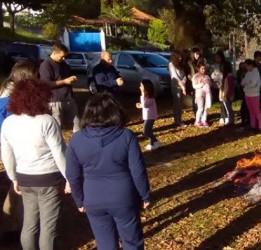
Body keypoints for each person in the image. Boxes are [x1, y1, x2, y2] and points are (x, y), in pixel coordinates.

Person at [65, 92, 151, 250]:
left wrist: (79, 199)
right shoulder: (126, 137)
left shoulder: (77, 140)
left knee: (105, 244)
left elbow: (72, 175)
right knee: (132, 242)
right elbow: (137, 170)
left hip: (93, 197)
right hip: (123, 197)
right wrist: (144, 195)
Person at [1, 78, 69, 250]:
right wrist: (70, 179)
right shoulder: (47, 121)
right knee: (48, 226)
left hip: (24, 179)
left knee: (29, 224)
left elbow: (6, 154)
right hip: (49, 179)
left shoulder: (8, 123)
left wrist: (13, 178)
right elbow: (59, 153)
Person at [0, 60, 37, 241]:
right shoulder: (9, 99)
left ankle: (14, 226)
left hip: (17, 146)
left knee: (17, 188)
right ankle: (18, 228)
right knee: (20, 186)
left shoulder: (10, 92)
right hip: (16, 147)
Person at [39, 42, 81, 132]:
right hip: (55, 100)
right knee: (57, 126)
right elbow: (46, 84)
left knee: (77, 122)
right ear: (54, 53)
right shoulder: (46, 65)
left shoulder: (64, 64)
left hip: (68, 97)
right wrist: (64, 81)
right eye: (61, 56)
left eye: (65, 56)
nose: (63, 58)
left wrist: (72, 78)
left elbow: (67, 76)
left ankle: (78, 141)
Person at [135, 80, 161, 151]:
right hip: (148, 116)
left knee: (145, 131)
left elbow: (145, 105)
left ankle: (156, 141)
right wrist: (140, 105)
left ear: (146, 88)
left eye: (141, 86)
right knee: (149, 130)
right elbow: (144, 105)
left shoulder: (150, 98)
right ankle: (152, 144)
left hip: (150, 117)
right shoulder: (147, 97)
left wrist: (142, 95)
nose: (140, 87)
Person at [242, 59, 261, 133]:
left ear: (250, 65)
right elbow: (243, 82)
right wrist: (247, 83)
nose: (246, 68)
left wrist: (247, 84)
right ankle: (253, 126)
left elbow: (253, 84)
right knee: (251, 112)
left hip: (255, 94)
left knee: (257, 112)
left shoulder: (256, 73)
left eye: (246, 66)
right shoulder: (248, 73)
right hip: (247, 94)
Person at [169, 52, 188, 128]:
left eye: (181, 57)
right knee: (177, 104)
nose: (180, 59)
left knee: (180, 105)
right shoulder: (171, 64)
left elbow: (184, 75)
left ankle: (180, 119)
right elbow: (175, 76)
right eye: (178, 57)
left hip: (182, 86)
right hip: (176, 86)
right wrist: (181, 83)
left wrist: (184, 81)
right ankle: (177, 121)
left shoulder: (180, 65)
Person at [192, 62, 212, 128]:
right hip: (199, 94)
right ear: (198, 69)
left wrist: (208, 84)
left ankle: (204, 120)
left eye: (204, 68)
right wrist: (202, 84)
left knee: (205, 108)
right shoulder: (195, 76)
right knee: (200, 108)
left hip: (206, 94)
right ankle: (197, 121)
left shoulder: (207, 76)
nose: (203, 70)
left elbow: (210, 83)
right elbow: (194, 86)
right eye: (202, 69)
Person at [220, 62, 236, 126]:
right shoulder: (227, 76)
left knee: (228, 108)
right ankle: (230, 120)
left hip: (228, 95)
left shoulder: (229, 76)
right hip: (226, 94)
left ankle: (231, 121)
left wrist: (227, 95)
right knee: (228, 108)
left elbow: (230, 87)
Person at [236, 62, 250, 128]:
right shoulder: (240, 72)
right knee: (244, 107)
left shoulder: (248, 73)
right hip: (244, 91)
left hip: (248, 92)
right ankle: (245, 120)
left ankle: (247, 120)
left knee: (246, 107)